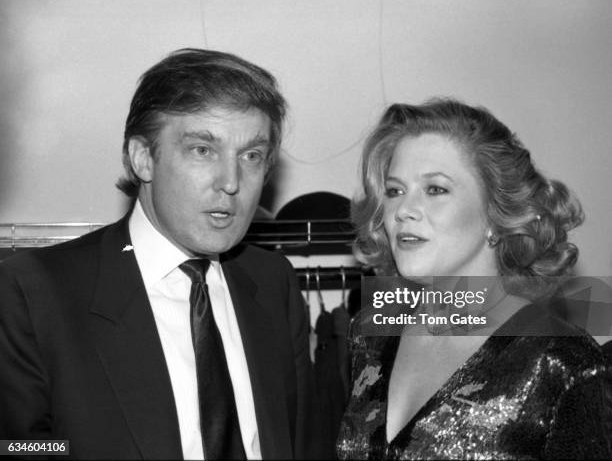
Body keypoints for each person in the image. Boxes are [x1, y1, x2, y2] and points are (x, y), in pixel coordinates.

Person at [0, 49, 320, 460]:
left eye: (251, 156)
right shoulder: (33, 292)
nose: (231, 182)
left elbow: (304, 441)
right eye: (202, 150)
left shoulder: (272, 279)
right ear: (142, 158)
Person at [337, 98, 612, 459]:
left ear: (495, 213)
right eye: (394, 191)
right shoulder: (371, 332)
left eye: (435, 189)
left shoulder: (561, 360)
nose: (403, 211)